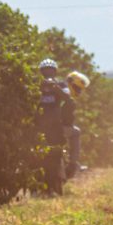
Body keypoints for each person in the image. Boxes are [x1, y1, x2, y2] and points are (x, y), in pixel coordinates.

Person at [36, 58, 72, 195]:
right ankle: (41, 186)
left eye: (50, 70)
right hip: (39, 125)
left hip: (56, 125)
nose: (48, 73)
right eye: (45, 71)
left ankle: (57, 182)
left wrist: (55, 87)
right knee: (39, 155)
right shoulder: (36, 85)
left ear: (55, 71)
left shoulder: (61, 84)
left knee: (56, 153)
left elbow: (68, 98)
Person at [63, 71, 90, 178]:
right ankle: (73, 163)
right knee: (76, 132)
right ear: (70, 83)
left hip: (44, 126)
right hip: (59, 128)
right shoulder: (67, 96)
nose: (78, 91)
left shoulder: (57, 90)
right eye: (77, 88)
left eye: (80, 89)